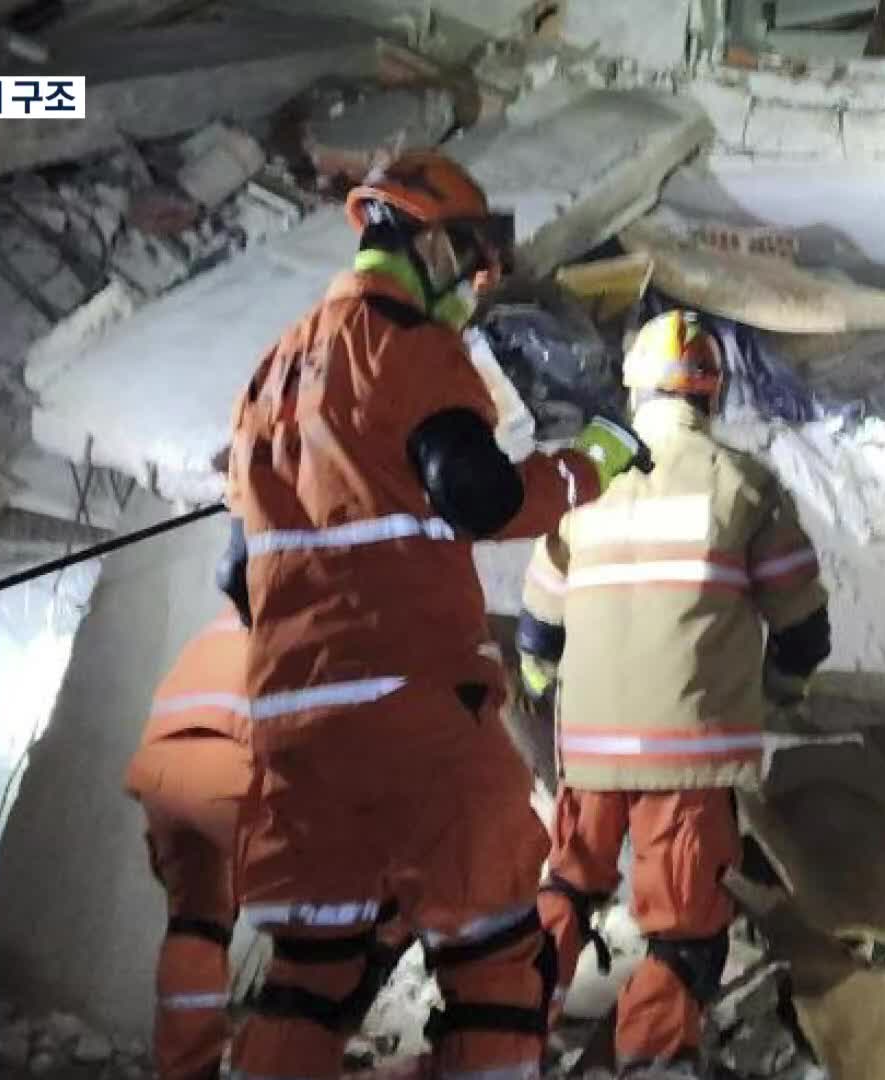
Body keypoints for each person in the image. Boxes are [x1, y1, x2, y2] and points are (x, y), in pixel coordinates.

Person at [222, 150, 643, 1080]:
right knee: (501, 966)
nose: (477, 283)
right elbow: (482, 497)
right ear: (431, 240)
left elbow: (237, 574)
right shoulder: (408, 347)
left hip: (293, 728)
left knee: (311, 979)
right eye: (472, 257)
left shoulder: (272, 373)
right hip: (412, 721)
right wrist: (592, 464)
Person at [518, 310, 832, 1076]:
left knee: (567, 884)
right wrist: (777, 693)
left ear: (634, 388)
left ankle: (498, 1033)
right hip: (689, 759)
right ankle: (652, 1062)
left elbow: (536, 633)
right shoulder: (744, 487)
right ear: (712, 393)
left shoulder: (586, 482)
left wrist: (543, 689)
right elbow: (804, 631)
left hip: (590, 753)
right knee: (682, 932)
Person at [123, 605, 252, 1080]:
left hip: (160, 772)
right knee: (317, 921)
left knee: (198, 924)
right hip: (230, 769)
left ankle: (185, 1070)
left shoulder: (217, 625)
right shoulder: (309, 609)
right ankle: (289, 1054)